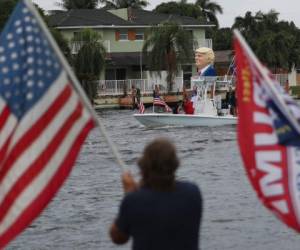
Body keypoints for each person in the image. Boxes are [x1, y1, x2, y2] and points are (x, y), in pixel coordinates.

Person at [109, 138, 203, 250]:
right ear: (175, 164)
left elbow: (118, 238)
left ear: (144, 166)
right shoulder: (192, 193)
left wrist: (128, 194)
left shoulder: (134, 200)